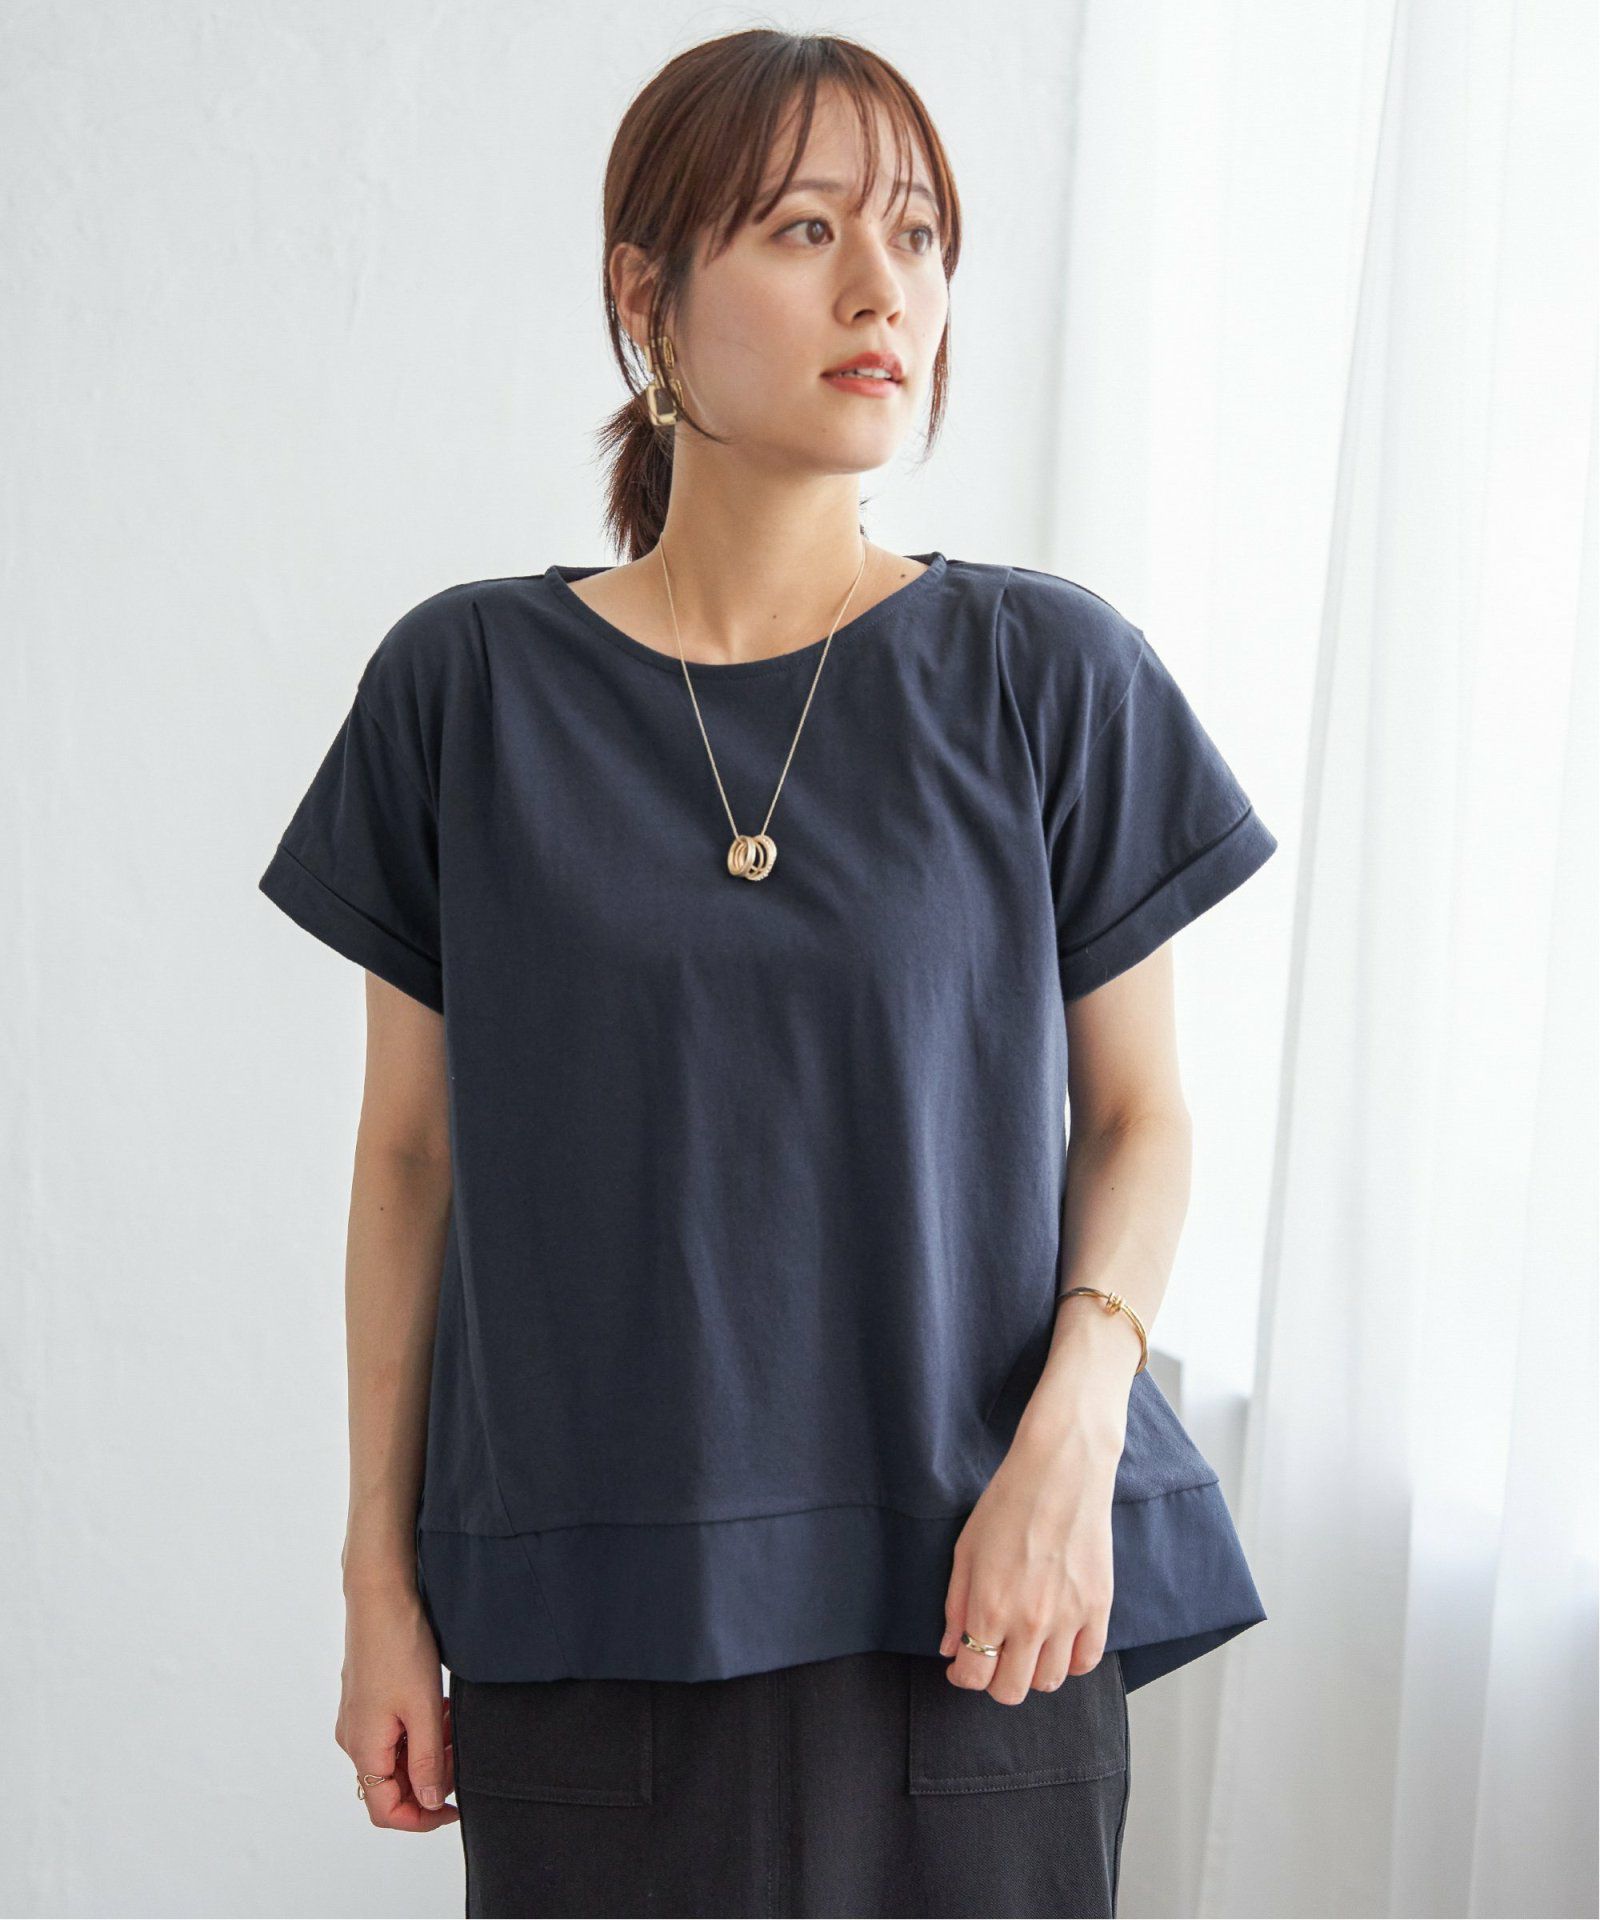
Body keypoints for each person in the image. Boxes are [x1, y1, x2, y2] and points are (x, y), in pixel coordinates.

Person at [258, 28, 1278, 1920]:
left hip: (983, 1607)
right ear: (644, 296)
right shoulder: (466, 693)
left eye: (918, 234)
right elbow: (409, 1159)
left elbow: (1141, 1119)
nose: (884, 288)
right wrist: (377, 1582)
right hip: (589, 1627)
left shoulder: (1046, 675)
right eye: (808, 230)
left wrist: (1071, 1438)